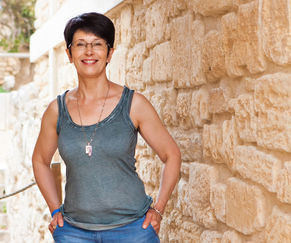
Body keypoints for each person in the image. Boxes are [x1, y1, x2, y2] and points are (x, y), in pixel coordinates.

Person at [32, 12, 181, 243]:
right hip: (74, 233)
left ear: (110, 53)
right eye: (80, 44)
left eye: (97, 44)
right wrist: (54, 210)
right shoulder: (57, 110)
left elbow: (171, 155)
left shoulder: (134, 104)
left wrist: (158, 209)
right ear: (69, 54)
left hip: (132, 231)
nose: (89, 52)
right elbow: (40, 160)